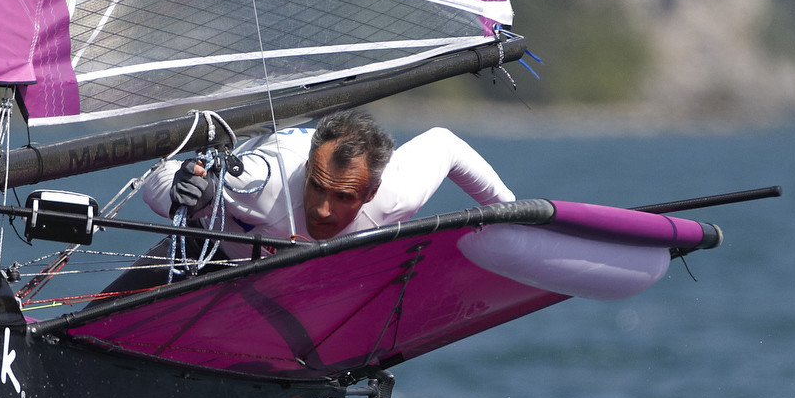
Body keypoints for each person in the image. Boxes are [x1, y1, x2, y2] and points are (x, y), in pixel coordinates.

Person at [139, 109, 515, 261]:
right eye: (317, 186)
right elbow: (158, 180)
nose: (322, 209)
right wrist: (186, 191)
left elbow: (446, 145)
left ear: (371, 193)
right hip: (209, 253)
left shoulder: (397, 190)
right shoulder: (261, 180)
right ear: (307, 168)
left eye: (343, 197)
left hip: (301, 285)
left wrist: (509, 213)